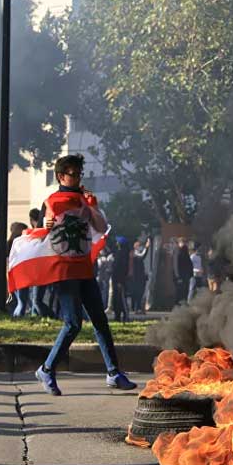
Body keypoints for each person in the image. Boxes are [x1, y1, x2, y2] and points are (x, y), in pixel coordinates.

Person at [34, 154, 137, 395]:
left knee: (100, 319)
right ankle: (47, 369)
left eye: (80, 174)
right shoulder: (51, 201)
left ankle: (113, 373)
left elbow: (101, 228)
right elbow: (38, 236)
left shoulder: (85, 200)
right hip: (64, 270)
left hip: (84, 268)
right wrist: (45, 226)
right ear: (61, 176)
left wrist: (91, 207)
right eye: (74, 174)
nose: (78, 178)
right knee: (73, 324)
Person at [8, 222, 29, 317]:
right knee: (22, 302)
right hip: (22, 275)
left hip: (14, 275)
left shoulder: (10, 244)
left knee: (19, 301)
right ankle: (17, 317)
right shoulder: (21, 243)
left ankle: (15, 317)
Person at [111, 236, 130, 323]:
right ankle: (117, 316)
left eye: (117, 242)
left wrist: (120, 281)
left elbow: (122, 269)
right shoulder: (119, 252)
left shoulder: (123, 254)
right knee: (116, 299)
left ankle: (126, 316)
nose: (116, 243)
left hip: (119, 280)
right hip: (116, 279)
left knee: (121, 299)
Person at [129, 237, 150, 314]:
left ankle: (137, 308)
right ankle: (136, 308)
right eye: (138, 245)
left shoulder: (135, 253)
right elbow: (142, 256)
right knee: (138, 293)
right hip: (137, 277)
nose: (140, 246)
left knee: (138, 293)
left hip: (139, 277)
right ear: (135, 246)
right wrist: (146, 248)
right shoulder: (135, 253)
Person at [172, 237, 193, 305]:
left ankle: (183, 305)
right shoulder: (177, 251)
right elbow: (176, 265)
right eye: (182, 242)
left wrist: (191, 274)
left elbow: (189, 262)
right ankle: (177, 306)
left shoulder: (185, 250)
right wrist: (178, 277)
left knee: (185, 292)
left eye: (185, 242)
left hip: (186, 275)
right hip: (179, 276)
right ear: (179, 243)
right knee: (179, 292)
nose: (184, 244)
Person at [96, 246, 114, 312]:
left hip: (102, 278)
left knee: (104, 293)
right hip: (101, 278)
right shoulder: (102, 259)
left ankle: (102, 306)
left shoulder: (104, 259)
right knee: (103, 293)